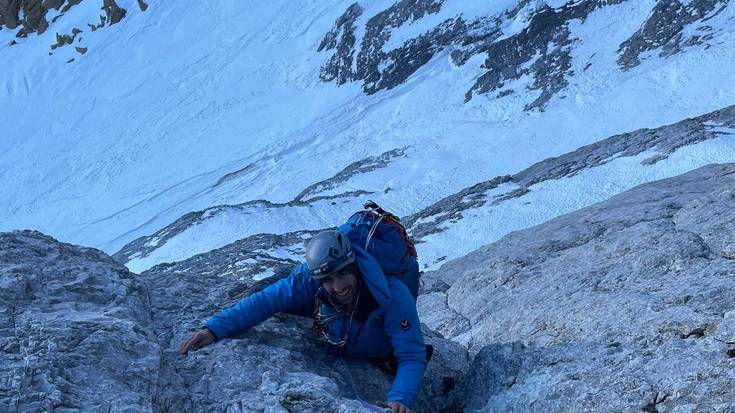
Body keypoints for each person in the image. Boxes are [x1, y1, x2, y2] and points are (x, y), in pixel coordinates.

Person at [180, 230, 427, 413]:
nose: (338, 286)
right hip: (332, 319)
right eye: (328, 280)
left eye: (343, 274)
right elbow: (268, 300)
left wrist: (400, 398)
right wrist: (215, 327)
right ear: (318, 279)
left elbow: (412, 354)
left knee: (283, 292)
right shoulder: (311, 281)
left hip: (366, 343)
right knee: (270, 292)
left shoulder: (392, 294)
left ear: (355, 267)